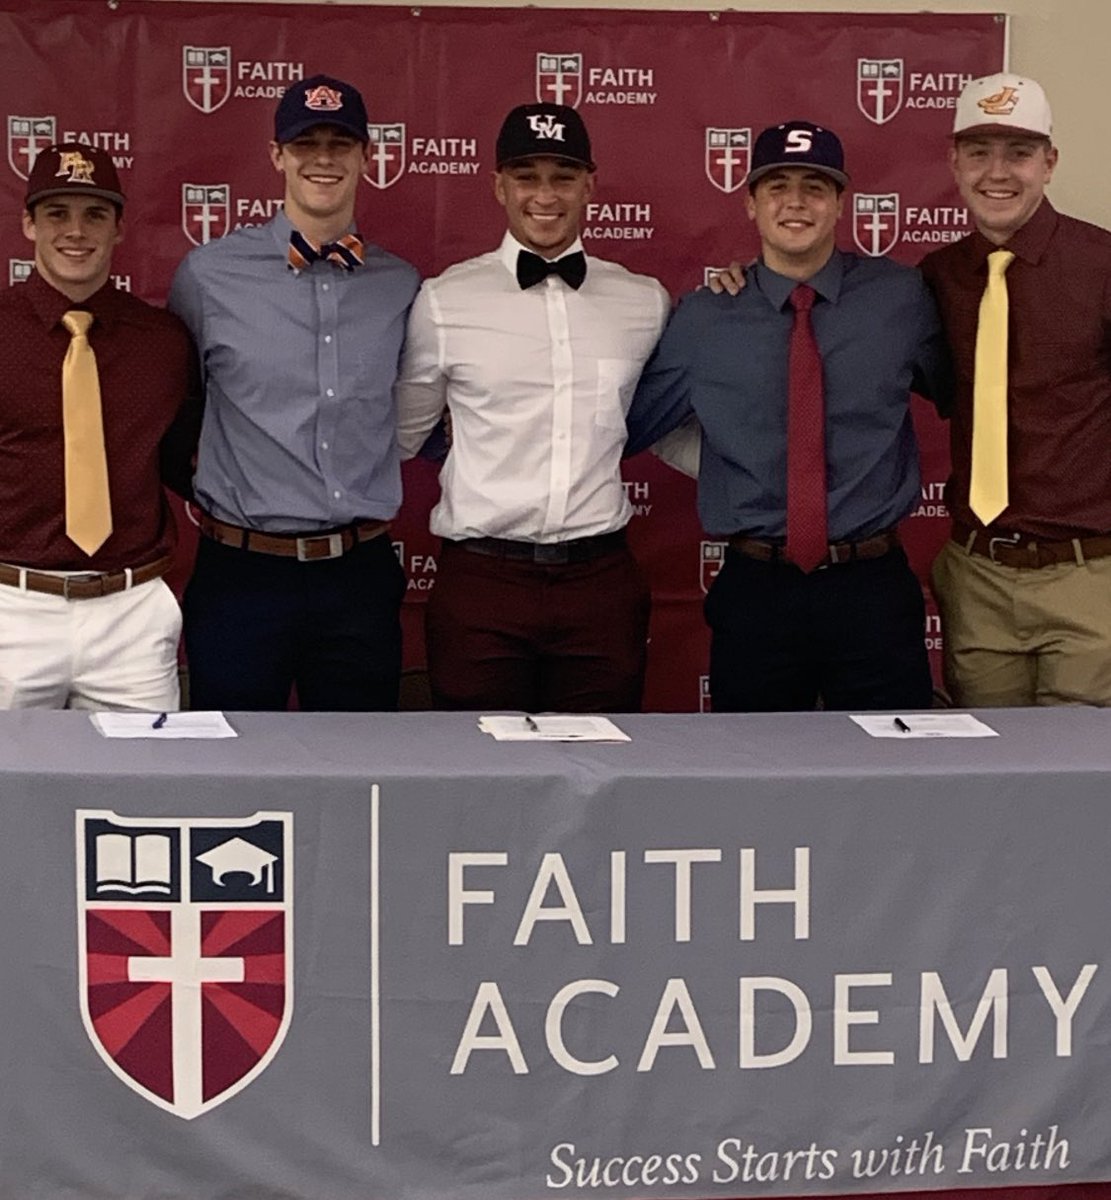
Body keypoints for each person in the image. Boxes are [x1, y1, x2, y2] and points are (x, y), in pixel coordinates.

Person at [625, 121, 953, 713]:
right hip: (758, 587)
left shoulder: (901, 299)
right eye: (777, 186)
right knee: (755, 763)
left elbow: (967, 396)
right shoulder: (706, 317)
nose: (795, 202)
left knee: (895, 761)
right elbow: (626, 427)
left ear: (840, 203)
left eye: (815, 187)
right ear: (750, 203)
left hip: (871, 584)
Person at [394, 102, 670, 713]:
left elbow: (676, 417)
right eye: (526, 176)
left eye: (563, 177)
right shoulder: (444, 302)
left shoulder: (644, 302)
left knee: (602, 761)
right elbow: (404, 433)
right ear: (499, 186)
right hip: (482, 581)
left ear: (590, 186)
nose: (545, 195)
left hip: (600, 581)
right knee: (477, 763)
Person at [168, 74, 418, 712]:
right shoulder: (208, 276)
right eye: (306, 143)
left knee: (361, 763)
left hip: (358, 573)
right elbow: (175, 409)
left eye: (341, 143)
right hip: (242, 573)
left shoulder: (402, 285)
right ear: (277, 155)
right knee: (233, 760)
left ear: (367, 156)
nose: (323, 159)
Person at [919, 73, 1111, 707]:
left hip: (1090, 578)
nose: (997, 172)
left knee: (1080, 765)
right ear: (954, 162)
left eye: (1019, 153)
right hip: (978, 579)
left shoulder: (1103, 266)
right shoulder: (937, 277)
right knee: (986, 760)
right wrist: (747, 283)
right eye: (979, 152)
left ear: (1049, 163)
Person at [0, 143, 197, 711]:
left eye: (94, 214)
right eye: (57, 213)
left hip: (130, 612)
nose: (75, 231)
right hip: (13, 603)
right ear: (28, 224)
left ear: (119, 228)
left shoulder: (163, 342)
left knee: (144, 770)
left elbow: (184, 461)